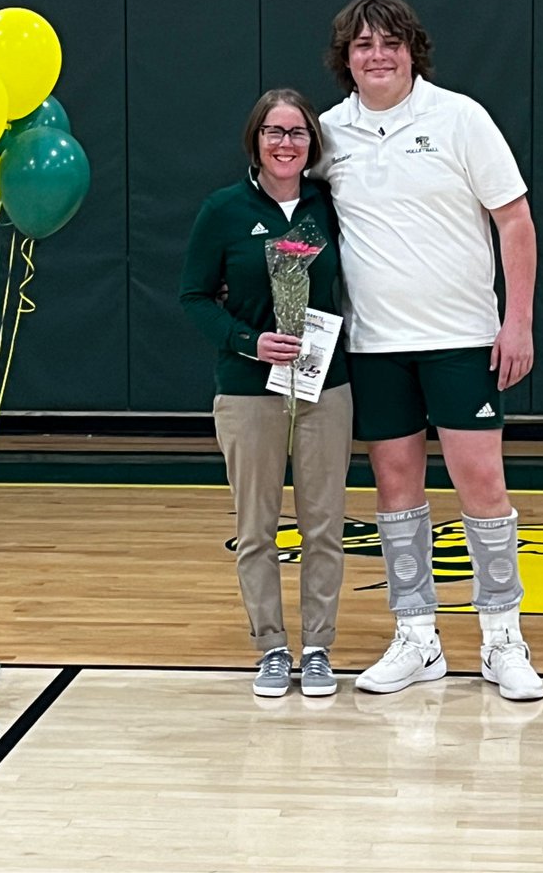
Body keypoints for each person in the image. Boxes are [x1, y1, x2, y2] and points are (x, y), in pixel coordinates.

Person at [317, 0, 543, 702]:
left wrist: (519, 321)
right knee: (394, 491)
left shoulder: (460, 118)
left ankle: (503, 636)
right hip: (377, 345)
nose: (376, 55)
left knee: (482, 486)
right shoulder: (328, 134)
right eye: (362, 45)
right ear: (345, 60)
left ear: (413, 51)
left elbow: (515, 221)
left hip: (462, 339)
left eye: (390, 43)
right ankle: (417, 637)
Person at [179, 90, 352, 699]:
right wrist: (249, 341)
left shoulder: (329, 207)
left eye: (298, 132)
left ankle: (319, 648)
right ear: (255, 140)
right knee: (257, 527)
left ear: (313, 144)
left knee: (323, 526)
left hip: (326, 388)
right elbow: (194, 297)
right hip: (249, 394)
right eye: (274, 132)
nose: (286, 143)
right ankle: (272, 646)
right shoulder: (224, 210)